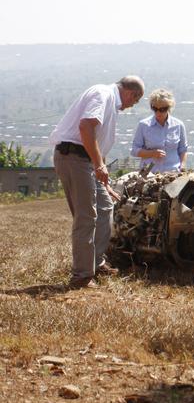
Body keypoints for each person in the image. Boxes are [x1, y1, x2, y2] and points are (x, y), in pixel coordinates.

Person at [49, 75, 145, 288]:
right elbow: (86, 127)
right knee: (86, 216)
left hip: (87, 161)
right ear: (131, 94)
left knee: (104, 207)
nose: (131, 106)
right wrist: (99, 165)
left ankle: (95, 262)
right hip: (74, 157)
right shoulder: (103, 94)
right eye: (135, 101)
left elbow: (96, 139)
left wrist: (103, 177)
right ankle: (81, 276)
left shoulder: (109, 99)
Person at [131, 89, 188, 173]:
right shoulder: (144, 125)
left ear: (169, 108)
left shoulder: (178, 125)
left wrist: (182, 166)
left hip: (173, 173)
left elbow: (183, 150)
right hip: (149, 174)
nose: (158, 112)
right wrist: (152, 153)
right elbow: (134, 151)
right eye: (155, 109)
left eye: (162, 109)